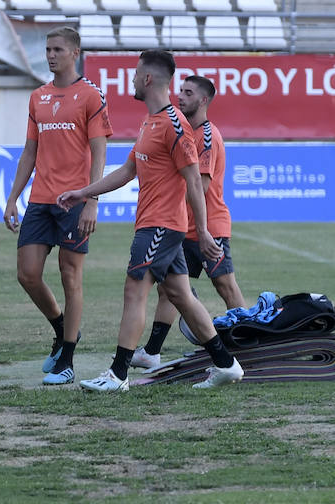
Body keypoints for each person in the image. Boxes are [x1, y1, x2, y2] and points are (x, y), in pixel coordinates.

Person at [59, 50, 244, 392]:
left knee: (135, 292)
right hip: (156, 224)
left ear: (147, 79)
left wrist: (202, 232)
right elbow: (128, 171)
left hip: (161, 226)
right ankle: (226, 364)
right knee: (181, 295)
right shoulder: (150, 122)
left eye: (134, 74)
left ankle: (117, 375)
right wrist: (83, 192)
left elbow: (193, 181)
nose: (131, 79)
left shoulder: (176, 126)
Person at [3, 26, 112, 386]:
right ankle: (64, 329)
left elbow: (99, 151)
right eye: (47, 49)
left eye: (57, 49)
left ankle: (66, 360)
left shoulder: (91, 96)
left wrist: (91, 199)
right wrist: (12, 198)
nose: (50, 55)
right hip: (40, 200)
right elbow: (29, 152)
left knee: (70, 276)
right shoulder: (38, 97)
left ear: (75, 53)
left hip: (76, 200)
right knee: (27, 274)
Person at [133, 74, 248, 369]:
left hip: (210, 227)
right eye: (179, 90)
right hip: (184, 227)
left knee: (225, 286)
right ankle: (151, 352)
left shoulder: (208, 136)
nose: (180, 96)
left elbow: (203, 186)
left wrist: (164, 205)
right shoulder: (181, 130)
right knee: (170, 289)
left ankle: (249, 343)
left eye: (187, 92)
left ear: (203, 100)